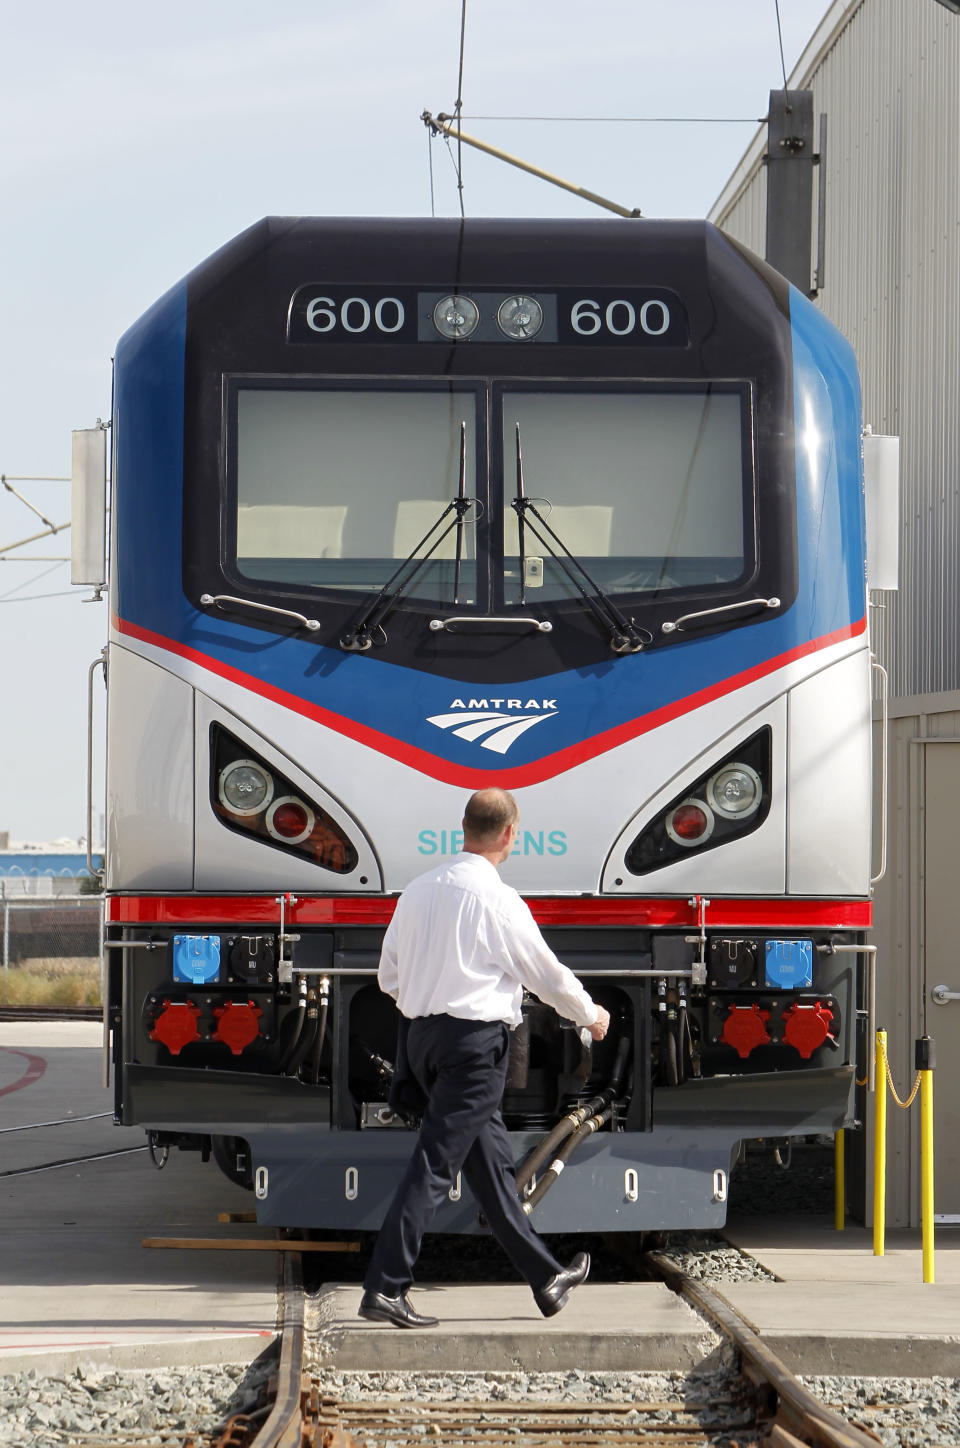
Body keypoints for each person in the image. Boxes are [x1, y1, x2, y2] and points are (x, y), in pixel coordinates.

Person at [358, 787, 611, 1329]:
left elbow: (388, 978)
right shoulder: (498, 901)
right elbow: (545, 974)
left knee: (493, 1171)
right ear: (509, 834)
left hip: (422, 1041)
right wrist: (589, 1014)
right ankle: (385, 1286)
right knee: (433, 1163)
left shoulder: (418, 893)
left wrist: (429, 1005)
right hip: (473, 1051)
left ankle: (546, 1280)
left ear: (463, 828)